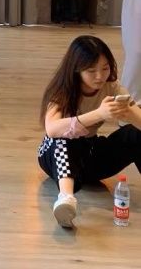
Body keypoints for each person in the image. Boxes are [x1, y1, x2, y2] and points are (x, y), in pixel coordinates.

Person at [38, 35, 141, 228]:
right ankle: (66, 199)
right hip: (56, 155)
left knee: (135, 133)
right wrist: (99, 113)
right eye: (91, 71)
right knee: (63, 137)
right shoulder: (63, 89)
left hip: (90, 154)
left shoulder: (112, 87)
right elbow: (52, 129)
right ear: (76, 69)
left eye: (105, 68)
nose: (100, 76)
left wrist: (129, 114)